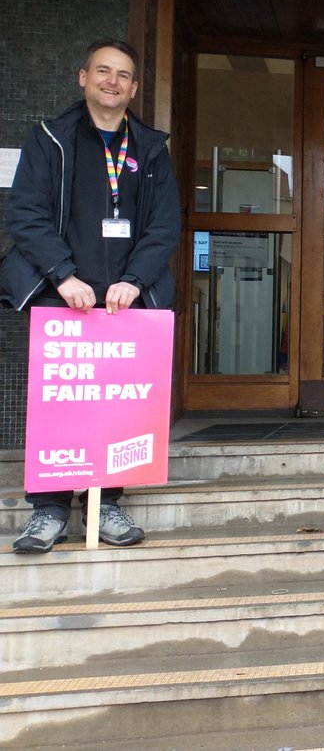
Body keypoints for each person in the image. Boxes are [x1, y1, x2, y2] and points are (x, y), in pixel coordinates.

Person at [1, 38, 182, 553]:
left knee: (118, 403)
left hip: (125, 299)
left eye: (123, 74)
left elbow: (165, 225)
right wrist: (63, 276)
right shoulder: (50, 139)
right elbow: (25, 214)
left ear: (134, 87)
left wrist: (136, 281)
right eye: (103, 71)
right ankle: (49, 511)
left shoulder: (149, 148)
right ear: (83, 77)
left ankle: (107, 504)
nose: (112, 81)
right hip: (64, 296)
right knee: (61, 401)